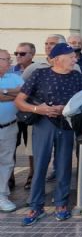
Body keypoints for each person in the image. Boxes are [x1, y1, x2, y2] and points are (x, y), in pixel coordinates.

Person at [15, 43, 82, 226]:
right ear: (58, 59)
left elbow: (81, 101)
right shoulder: (39, 74)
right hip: (43, 124)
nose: (75, 59)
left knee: (64, 166)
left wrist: (67, 109)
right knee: (40, 165)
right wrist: (40, 109)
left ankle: (61, 204)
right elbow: (20, 101)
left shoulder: (76, 76)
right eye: (71, 57)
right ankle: (35, 206)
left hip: (66, 124)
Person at [0, 49, 23, 211]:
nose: (11, 62)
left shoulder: (15, 77)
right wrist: (13, 94)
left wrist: (4, 93)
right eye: (7, 59)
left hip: (9, 126)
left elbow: (24, 94)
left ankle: (2, 194)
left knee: (7, 162)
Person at [9, 43, 33, 191]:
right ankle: (10, 178)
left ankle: (32, 176)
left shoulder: (38, 70)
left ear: (32, 55)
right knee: (11, 147)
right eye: (16, 53)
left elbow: (28, 93)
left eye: (22, 54)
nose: (18, 56)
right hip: (13, 116)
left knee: (32, 148)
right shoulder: (10, 71)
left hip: (31, 115)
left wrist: (11, 93)